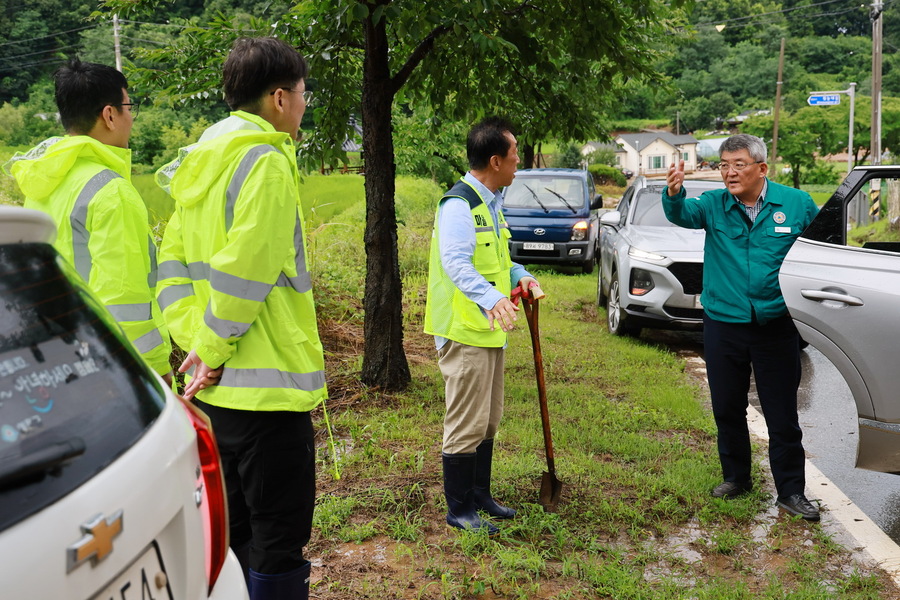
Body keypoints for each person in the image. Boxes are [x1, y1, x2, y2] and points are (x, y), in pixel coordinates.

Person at [154, 37, 325, 599]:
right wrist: (214, 348)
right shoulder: (267, 161)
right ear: (278, 98)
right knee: (279, 538)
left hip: (214, 397)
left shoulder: (198, 162)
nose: (304, 105)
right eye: (303, 94)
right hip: (269, 396)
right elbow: (245, 272)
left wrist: (196, 347)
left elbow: (172, 270)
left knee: (233, 534)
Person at [662, 133, 820, 521]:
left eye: (738, 165)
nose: (729, 173)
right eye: (724, 166)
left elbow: (821, 249)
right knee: (728, 408)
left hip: (776, 325)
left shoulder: (796, 204)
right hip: (724, 325)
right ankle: (736, 478)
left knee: (782, 413)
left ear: (761, 168)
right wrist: (674, 193)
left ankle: (792, 492)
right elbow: (682, 215)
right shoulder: (713, 204)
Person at [4, 59, 172, 381]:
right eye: (128, 106)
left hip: (59, 356)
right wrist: (156, 373)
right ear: (109, 115)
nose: (131, 118)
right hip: (116, 369)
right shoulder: (111, 191)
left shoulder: (43, 182)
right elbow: (124, 301)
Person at [424, 116, 540, 534]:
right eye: (514, 157)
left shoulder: (491, 204)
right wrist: (493, 299)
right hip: (462, 329)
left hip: (488, 329)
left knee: (488, 419)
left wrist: (519, 276)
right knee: (466, 422)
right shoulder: (458, 205)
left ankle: (480, 496)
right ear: (495, 161)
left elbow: (500, 262)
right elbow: (456, 263)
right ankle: (459, 510)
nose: (517, 164)